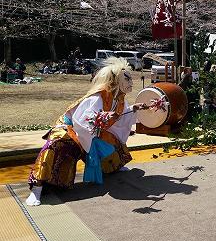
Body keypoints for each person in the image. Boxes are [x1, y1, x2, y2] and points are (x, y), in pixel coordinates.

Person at [26, 57, 149, 206]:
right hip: (71, 127)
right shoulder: (98, 96)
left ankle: (115, 165)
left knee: (113, 140)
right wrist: (102, 116)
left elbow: (120, 121)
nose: (131, 82)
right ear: (116, 81)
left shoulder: (120, 99)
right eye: (127, 79)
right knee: (56, 144)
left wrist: (133, 109)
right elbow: (83, 118)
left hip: (93, 131)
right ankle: (37, 188)